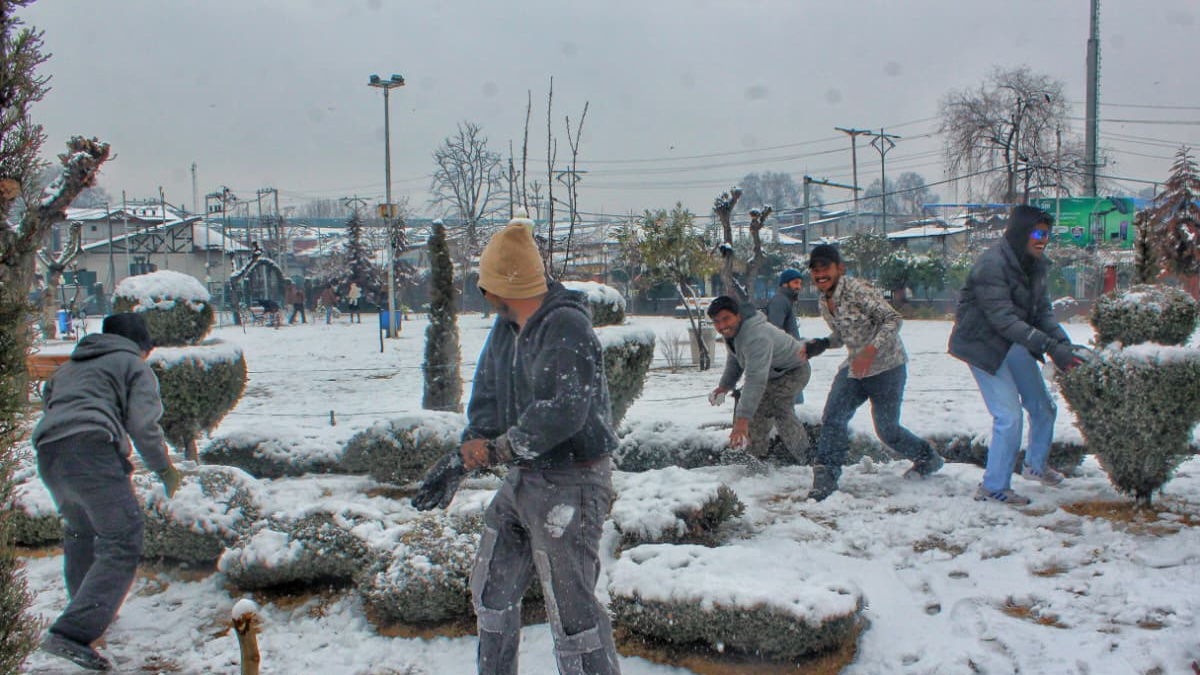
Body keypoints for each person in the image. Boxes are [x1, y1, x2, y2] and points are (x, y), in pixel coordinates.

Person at [412, 213, 622, 675]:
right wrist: (466, 453)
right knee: (492, 588)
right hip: (524, 477)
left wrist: (498, 450)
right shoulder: (506, 330)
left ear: (497, 288)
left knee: (574, 616)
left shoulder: (566, 326)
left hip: (572, 480)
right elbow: (487, 397)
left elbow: (563, 412)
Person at [32, 312, 181, 671]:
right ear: (143, 346)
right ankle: (72, 633)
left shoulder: (67, 369)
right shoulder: (133, 364)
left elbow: (51, 405)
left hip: (50, 453)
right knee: (123, 536)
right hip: (91, 449)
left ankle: (84, 611)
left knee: (81, 531)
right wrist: (164, 467)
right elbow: (143, 424)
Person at [949, 205, 1093, 505]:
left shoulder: (1036, 265)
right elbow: (1003, 320)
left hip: (1010, 342)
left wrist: (1064, 347)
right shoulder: (991, 265)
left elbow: (1042, 313)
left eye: (1047, 234)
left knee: (1043, 407)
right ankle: (993, 487)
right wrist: (1051, 348)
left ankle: (1035, 468)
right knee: (1008, 416)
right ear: (1021, 232)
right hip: (982, 345)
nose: (1043, 240)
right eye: (1038, 233)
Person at [805, 243, 943, 501]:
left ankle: (928, 457)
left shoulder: (858, 291)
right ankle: (825, 477)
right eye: (815, 270)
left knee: (887, 430)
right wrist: (821, 344)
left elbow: (893, 319)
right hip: (856, 369)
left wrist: (871, 350)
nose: (820, 274)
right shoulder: (824, 302)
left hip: (887, 367)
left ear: (840, 269)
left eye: (826, 268)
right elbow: (843, 335)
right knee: (833, 417)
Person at [707, 296, 813, 467]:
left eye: (726, 318)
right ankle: (756, 456)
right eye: (716, 321)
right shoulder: (734, 333)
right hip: (773, 374)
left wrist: (742, 420)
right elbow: (736, 359)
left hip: (794, 370)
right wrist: (724, 386)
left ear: (738, 316)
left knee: (777, 406)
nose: (722, 326)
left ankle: (807, 457)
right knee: (759, 407)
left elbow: (755, 380)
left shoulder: (756, 337)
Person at [766, 267, 805, 404]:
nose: (798, 287)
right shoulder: (780, 301)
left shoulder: (785, 301)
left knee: (793, 401)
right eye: (795, 283)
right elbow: (774, 330)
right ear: (784, 284)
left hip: (791, 359)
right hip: (786, 362)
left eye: (800, 283)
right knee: (791, 402)